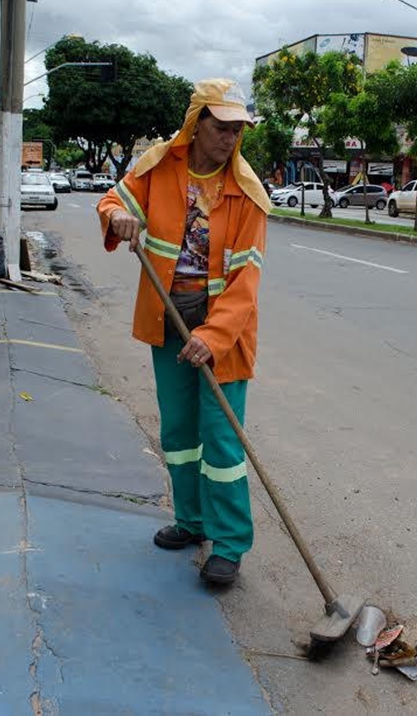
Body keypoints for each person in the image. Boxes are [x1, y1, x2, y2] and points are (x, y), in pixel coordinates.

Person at [96, 79, 271, 585]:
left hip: (224, 333)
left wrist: (213, 337)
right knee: (178, 432)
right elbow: (112, 199)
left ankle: (230, 544)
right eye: (222, 128)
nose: (230, 139)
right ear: (197, 126)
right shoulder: (158, 167)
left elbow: (245, 284)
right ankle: (191, 521)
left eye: (238, 130)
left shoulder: (248, 195)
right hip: (168, 318)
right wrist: (119, 216)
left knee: (221, 439)